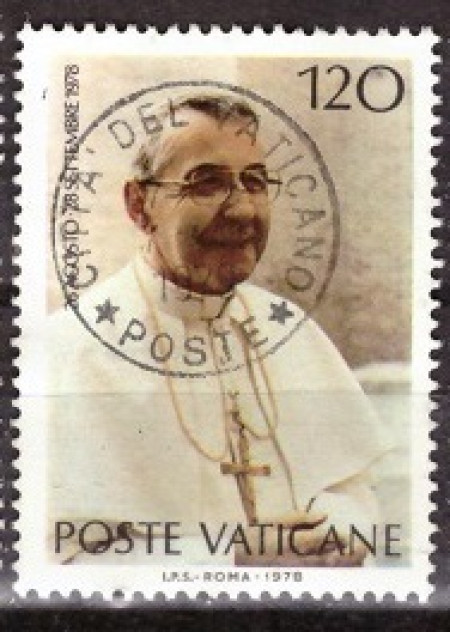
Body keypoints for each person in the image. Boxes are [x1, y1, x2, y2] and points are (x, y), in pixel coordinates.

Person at [48, 95, 391, 566]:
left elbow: (350, 486)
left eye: (254, 182)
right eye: (206, 183)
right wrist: (235, 558)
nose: (243, 210)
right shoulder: (71, 351)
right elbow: (61, 560)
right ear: (140, 205)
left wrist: (340, 527)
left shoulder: (289, 329)